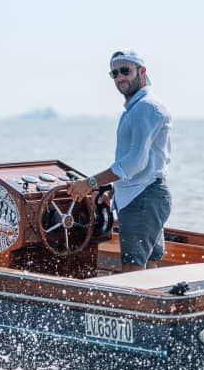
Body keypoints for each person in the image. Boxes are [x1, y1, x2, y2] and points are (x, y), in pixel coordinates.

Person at [67, 50, 172, 272]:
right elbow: (147, 163)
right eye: (114, 73)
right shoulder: (137, 107)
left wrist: (90, 183)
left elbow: (135, 162)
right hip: (143, 196)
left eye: (125, 70)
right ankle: (150, 307)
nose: (120, 77)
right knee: (149, 269)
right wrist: (112, 191)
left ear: (142, 71)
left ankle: (137, 307)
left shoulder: (146, 107)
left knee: (133, 272)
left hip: (143, 200)